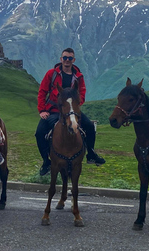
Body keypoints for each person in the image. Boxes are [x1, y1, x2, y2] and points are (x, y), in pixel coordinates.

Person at [36, 48, 105, 176]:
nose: (67, 60)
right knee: (39, 132)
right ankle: (46, 162)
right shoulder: (51, 74)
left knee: (89, 126)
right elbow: (42, 92)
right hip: (54, 110)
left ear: (73, 60)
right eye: (65, 58)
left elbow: (82, 93)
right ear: (61, 59)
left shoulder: (78, 77)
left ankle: (91, 154)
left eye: (70, 58)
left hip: (72, 110)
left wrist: (75, 106)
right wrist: (42, 110)